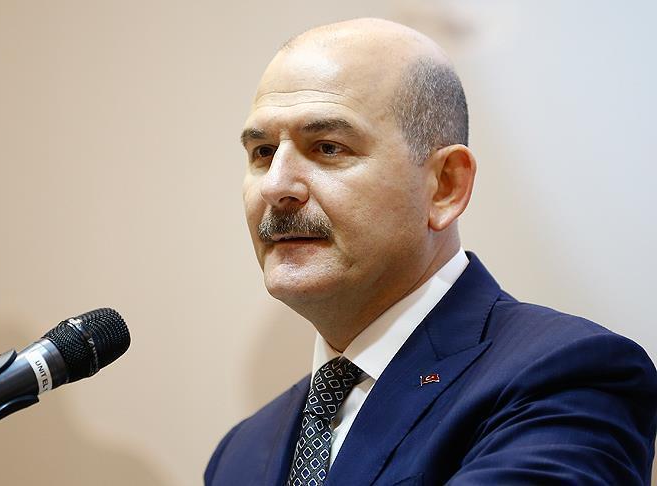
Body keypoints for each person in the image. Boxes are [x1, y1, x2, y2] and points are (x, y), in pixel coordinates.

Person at [205, 18, 657, 485]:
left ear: (445, 185)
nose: (276, 185)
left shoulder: (567, 377)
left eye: (328, 147)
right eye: (262, 152)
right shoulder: (239, 454)